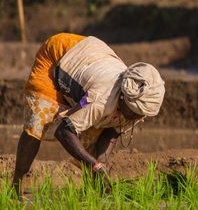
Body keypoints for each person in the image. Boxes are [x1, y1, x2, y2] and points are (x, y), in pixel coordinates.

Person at [12, 33, 165, 194]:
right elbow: (64, 131)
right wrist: (94, 165)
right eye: (135, 113)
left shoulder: (137, 106)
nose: (138, 118)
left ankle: (93, 192)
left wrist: (101, 164)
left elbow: (110, 134)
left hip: (91, 57)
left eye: (141, 114)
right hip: (58, 54)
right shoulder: (102, 99)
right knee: (38, 121)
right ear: (123, 98)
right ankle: (15, 186)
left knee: (91, 141)